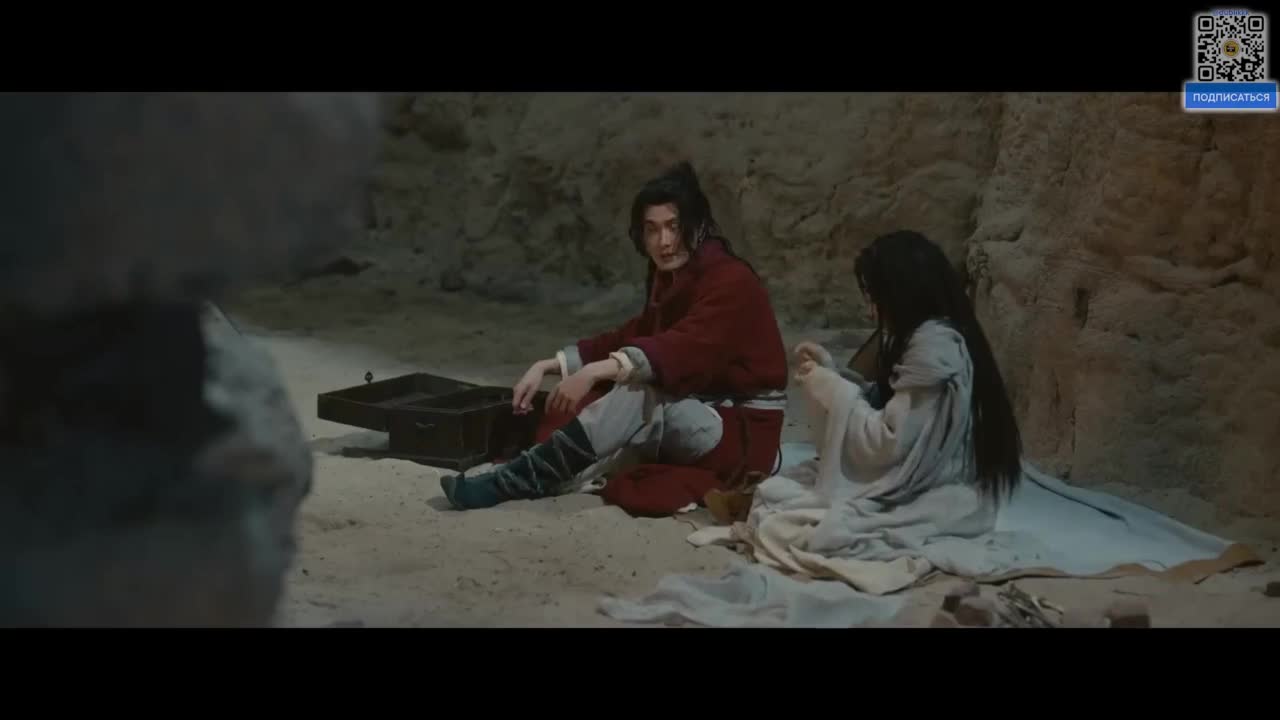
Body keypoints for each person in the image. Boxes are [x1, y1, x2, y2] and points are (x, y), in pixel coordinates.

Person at [441, 161, 789, 514]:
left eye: (674, 227)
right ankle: (525, 476)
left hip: (740, 437)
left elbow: (682, 345)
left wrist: (594, 371)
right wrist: (548, 365)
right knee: (601, 426)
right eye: (652, 230)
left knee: (638, 391)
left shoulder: (731, 281)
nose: (664, 242)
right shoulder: (674, 276)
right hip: (693, 415)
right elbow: (636, 333)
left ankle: (515, 480)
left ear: (697, 224)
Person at [790, 229, 1024, 505]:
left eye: (875, 299)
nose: (871, 313)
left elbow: (889, 445)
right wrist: (829, 373)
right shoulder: (921, 337)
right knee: (790, 485)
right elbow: (887, 403)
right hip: (920, 483)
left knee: (782, 506)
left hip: (931, 494)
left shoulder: (935, 347)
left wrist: (830, 388)